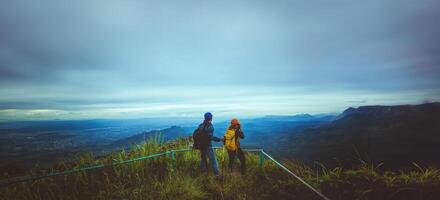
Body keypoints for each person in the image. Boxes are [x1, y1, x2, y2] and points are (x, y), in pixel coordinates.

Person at [194, 112, 222, 176]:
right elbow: (210, 137)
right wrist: (219, 139)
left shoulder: (201, 125)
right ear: (211, 118)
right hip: (207, 146)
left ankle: (204, 174)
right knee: (213, 160)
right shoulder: (210, 127)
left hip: (201, 146)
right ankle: (217, 174)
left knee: (203, 159)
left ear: (205, 118)